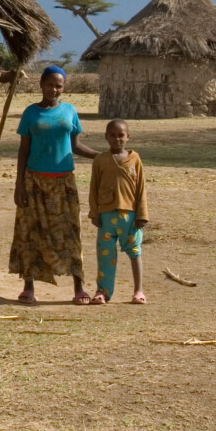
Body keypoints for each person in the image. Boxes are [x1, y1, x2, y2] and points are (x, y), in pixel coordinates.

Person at [10, 66, 99, 305]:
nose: (54, 89)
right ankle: (28, 287)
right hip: (34, 182)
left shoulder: (69, 111)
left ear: (64, 87)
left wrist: (101, 156)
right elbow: (23, 150)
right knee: (31, 232)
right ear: (41, 84)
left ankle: (78, 287)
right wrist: (19, 184)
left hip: (64, 182)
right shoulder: (31, 113)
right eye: (50, 84)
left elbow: (76, 146)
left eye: (59, 85)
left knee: (70, 233)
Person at [88, 119, 148, 305]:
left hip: (130, 217)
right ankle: (102, 292)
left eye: (121, 135)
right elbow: (94, 188)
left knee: (134, 251)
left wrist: (142, 215)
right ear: (106, 137)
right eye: (112, 135)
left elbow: (141, 188)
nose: (117, 139)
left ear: (128, 137)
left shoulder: (135, 159)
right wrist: (94, 213)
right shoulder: (101, 160)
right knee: (105, 255)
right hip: (106, 216)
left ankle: (138, 290)